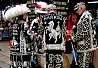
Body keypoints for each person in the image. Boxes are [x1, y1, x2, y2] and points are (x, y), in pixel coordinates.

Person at [40, 4, 67, 68]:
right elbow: (64, 31)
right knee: (58, 61)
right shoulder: (62, 18)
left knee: (49, 62)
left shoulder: (44, 18)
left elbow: (40, 30)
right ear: (55, 10)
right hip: (59, 45)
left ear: (48, 10)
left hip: (48, 45)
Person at [72, 2, 97, 68]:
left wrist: (73, 38)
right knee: (82, 64)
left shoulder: (86, 16)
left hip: (86, 46)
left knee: (84, 65)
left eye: (77, 10)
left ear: (82, 8)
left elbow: (84, 32)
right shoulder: (85, 16)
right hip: (84, 46)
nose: (76, 12)